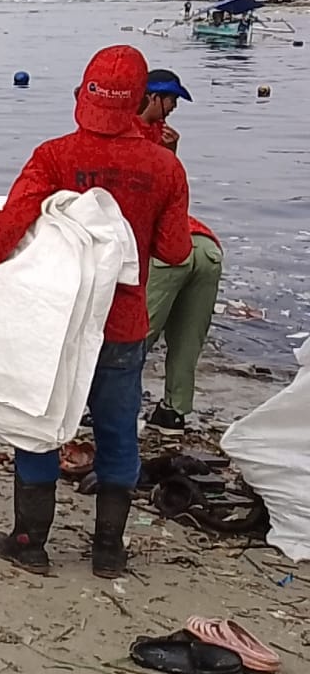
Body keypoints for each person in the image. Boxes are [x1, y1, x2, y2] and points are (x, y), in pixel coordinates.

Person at [0, 46, 191, 579]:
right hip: (122, 322)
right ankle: (109, 551)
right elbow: (177, 251)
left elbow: (10, 223)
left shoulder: (54, 155)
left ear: (81, 93)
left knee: (39, 422)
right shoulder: (165, 165)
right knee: (117, 434)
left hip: (55, 319)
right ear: (140, 101)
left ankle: (30, 543)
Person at [138, 69, 223, 430]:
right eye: (171, 100)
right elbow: (174, 194)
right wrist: (171, 154)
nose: (173, 108)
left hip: (169, 251)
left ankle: (105, 404)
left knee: (134, 338)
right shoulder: (158, 141)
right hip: (205, 247)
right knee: (188, 340)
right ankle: (174, 410)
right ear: (153, 97)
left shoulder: (129, 137)